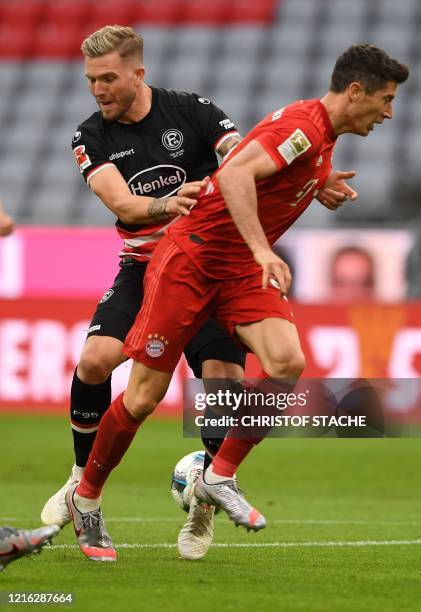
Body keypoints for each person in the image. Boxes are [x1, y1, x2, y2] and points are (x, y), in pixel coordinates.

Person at [64, 44, 409, 561]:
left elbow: (264, 168)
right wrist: (260, 249)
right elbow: (232, 175)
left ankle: (217, 475)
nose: (388, 112)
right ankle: (86, 499)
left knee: (287, 362)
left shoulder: (320, 140)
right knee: (142, 398)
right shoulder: (304, 127)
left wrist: (317, 182)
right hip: (192, 261)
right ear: (355, 91)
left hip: (236, 271)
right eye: (384, 99)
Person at [40, 25, 246, 560]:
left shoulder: (194, 111)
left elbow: (246, 160)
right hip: (144, 268)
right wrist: (169, 202)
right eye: (90, 80)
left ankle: (202, 505)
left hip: (205, 267)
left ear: (139, 73)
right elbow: (126, 207)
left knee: (226, 381)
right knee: (94, 361)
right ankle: (83, 483)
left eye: (108, 78)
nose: (98, 89)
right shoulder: (90, 135)